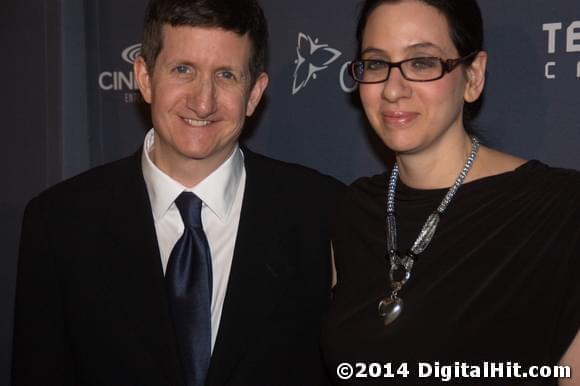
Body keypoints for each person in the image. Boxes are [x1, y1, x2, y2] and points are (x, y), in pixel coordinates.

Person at [12, 0, 343, 385]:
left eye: (226, 75)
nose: (202, 101)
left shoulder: (323, 213)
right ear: (145, 77)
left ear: (254, 93)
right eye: (183, 70)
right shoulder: (60, 224)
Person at [322, 0, 579, 385]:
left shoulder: (559, 209)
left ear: (473, 76)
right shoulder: (354, 210)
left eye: (421, 63)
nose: (393, 89)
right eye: (376, 64)